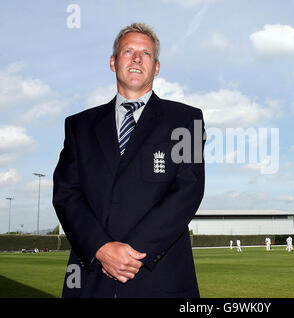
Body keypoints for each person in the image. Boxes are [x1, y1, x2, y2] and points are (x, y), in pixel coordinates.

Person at [53, 23, 205, 298]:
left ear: (156, 67)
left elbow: (188, 190)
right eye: (128, 51)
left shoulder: (186, 120)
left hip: (158, 276)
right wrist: (100, 248)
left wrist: (132, 252)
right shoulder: (79, 125)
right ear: (113, 62)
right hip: (91, 277)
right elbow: (66, 193)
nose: (136, 59)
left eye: (145, 53)